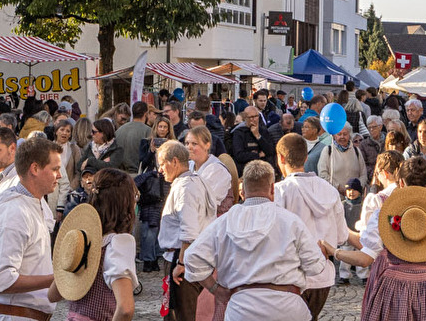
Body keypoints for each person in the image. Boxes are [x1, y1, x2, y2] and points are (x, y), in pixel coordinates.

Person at [324, 157, 426, 321]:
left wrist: (334, 251)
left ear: (401, 183)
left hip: (394, 287)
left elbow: (364, 259)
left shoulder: (385, 211)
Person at [183, 160, 327, 321]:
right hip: (287, 307)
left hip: (242, 309)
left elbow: (192, 258)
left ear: (243, 190)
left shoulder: (223, 223)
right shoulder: (291, 221)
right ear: (272, 188)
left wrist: (215, 289)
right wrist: (321, 256)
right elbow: (315, 267)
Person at [0, 137, 63, 321]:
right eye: (54, 169)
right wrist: (57, 278)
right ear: (35, 168)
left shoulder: (33, 202)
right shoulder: (13, 212)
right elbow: (1, 279)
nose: (60, 175)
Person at [47, 168, 137, 321]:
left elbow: (53, 295)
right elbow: (125, 308)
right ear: (125, 203)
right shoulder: (118, 243)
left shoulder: (81, 239)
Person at [274, 134, 343, 320]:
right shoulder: (330, 190)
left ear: (280, 158)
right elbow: (341, 237)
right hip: (323, 276)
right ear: (306, 157)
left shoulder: (280, 191)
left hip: (292, 276)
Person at [158, 141, 214, 321]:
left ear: (174, 161)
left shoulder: (186, 187)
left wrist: (181, 263)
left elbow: (189, 230)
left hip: (183, 259)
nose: (160, 169)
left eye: (162, 163)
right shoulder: (192, 181)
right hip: (187, 257)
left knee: (181, 316)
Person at [113, 104, 154, 174]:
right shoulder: (148, 131)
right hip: (139, 176)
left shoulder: (119, 130)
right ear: (146, 114)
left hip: (120, 175)